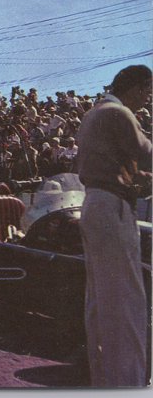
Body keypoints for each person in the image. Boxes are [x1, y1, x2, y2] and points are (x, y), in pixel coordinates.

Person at [76, 64, 152, 387]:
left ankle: (105, 382)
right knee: (126, 303)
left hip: (93, 202)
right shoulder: (119, 114)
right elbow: (147, 153)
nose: (146, 100)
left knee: (100, 303)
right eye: (146, 92)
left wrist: (139, 180)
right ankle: (129, 385)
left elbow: (117, 165)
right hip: (112, 208)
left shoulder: (93, 114)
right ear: (134, 88)